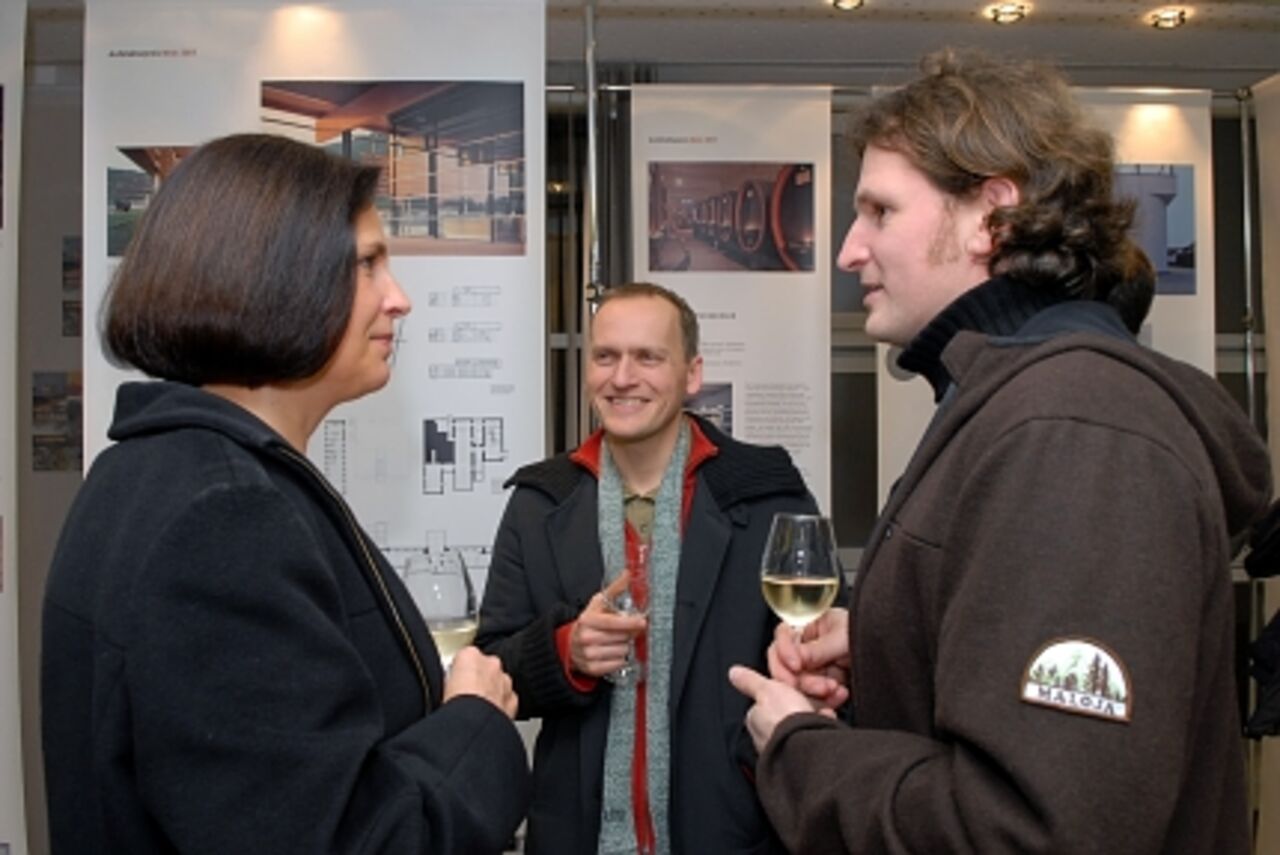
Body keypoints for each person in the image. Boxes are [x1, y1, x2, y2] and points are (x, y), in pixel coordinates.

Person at [729, 48, 1273, 854]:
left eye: (879, 212)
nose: (847, 250)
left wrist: (804, 753)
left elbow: (1033, 829)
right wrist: (893, 639)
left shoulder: (1076, 432)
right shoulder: (1023, 402)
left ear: (993, 216)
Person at [41, 133, 529, 854]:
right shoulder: (223, 518)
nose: (400, 299)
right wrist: (475, 725)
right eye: (368, 264)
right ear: (275, 279)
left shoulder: (156, 471)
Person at [476, 282, 818, 854]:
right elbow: (490, 664)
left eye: (648, 357)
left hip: (731, 829)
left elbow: (821, 650)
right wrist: (567, 652)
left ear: (691, 374)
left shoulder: (765, 495)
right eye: (606, 357)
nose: (622, 377)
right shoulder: (539, 502)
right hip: (576, 833)